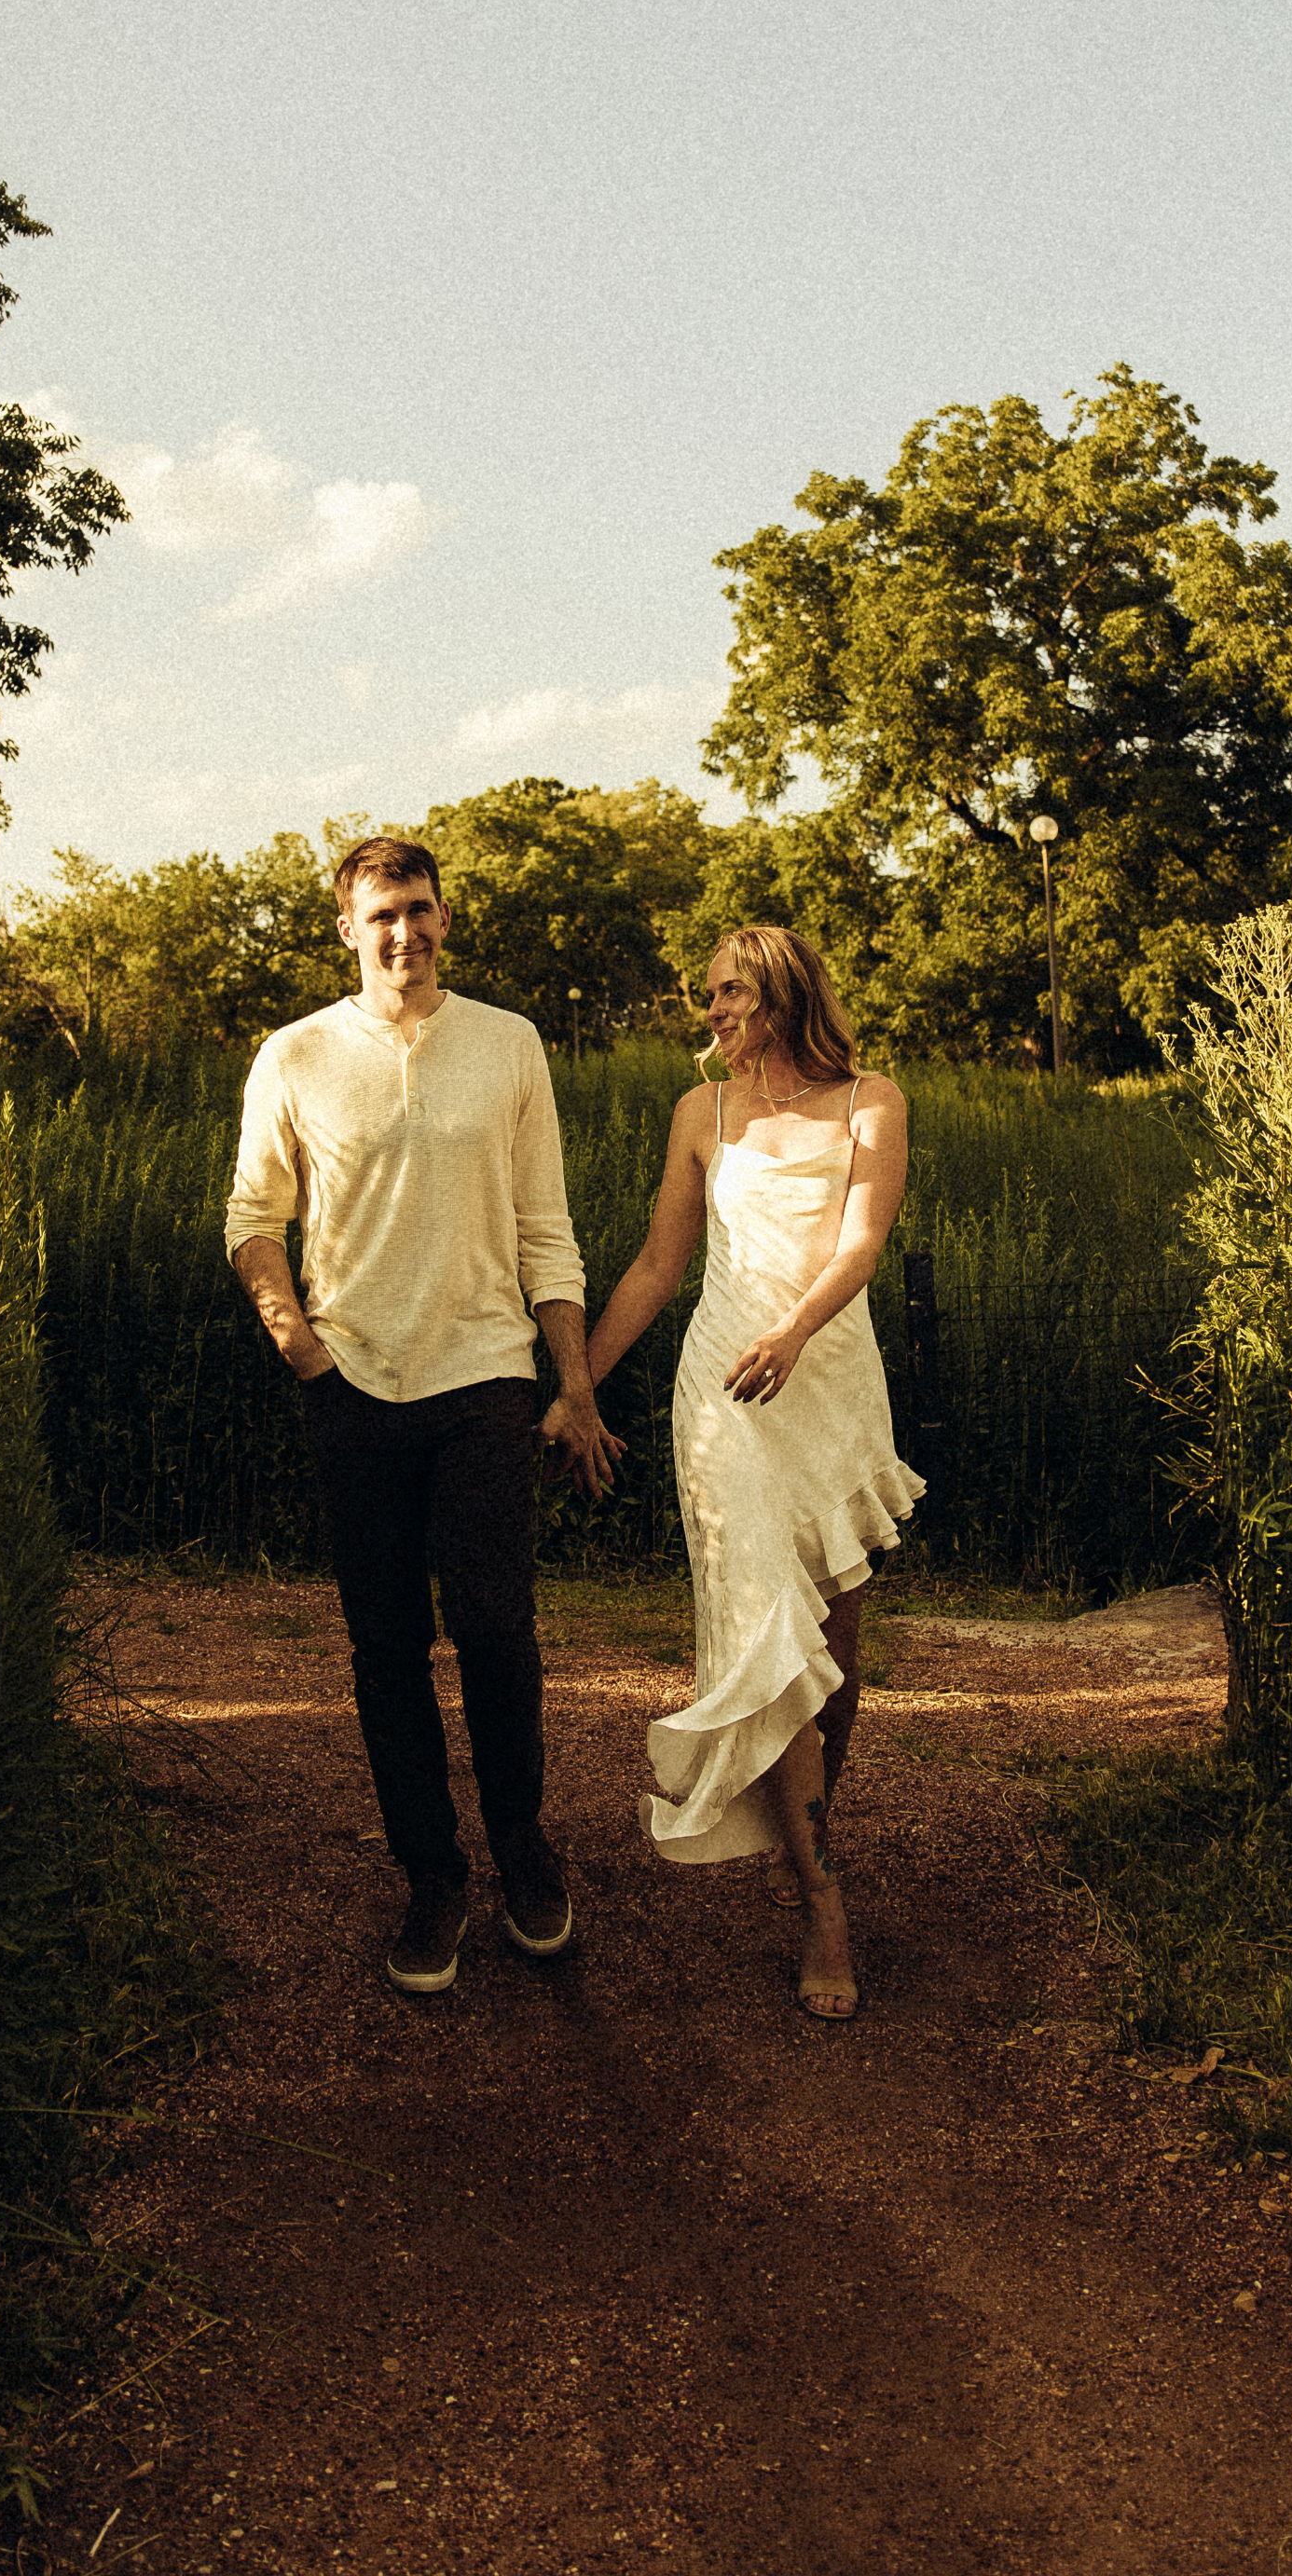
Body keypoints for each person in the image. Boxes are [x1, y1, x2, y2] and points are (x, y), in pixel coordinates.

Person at [226, 835, 617, 1999]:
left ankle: (524, 1856)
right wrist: (295, 1339)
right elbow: (254, 1211)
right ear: (347, 928)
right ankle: (431, 1878)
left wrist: (573, 1379)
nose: (404, 930)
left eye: (420, 909)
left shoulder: (509, 1044)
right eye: (380, 913)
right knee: (386, 1648)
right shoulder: (294, 1055)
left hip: (486, 1378)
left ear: (446, 919)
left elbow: (545, 1227)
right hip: (353, 1386)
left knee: (497, 1632)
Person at [581, 926, 919, 2021]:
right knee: (769, 1636)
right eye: (711, 993)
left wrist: (795, 1334)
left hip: (825, 1381)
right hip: (724, 1390)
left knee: (837, 1642)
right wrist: (577, 1385)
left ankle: (805, 1823)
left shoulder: (873, 1099)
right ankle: (824, 1900)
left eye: (731, 992)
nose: (713, 1010)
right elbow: (654, 1265)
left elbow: (859, 1246)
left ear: (781, 997)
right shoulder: (701, 1115)